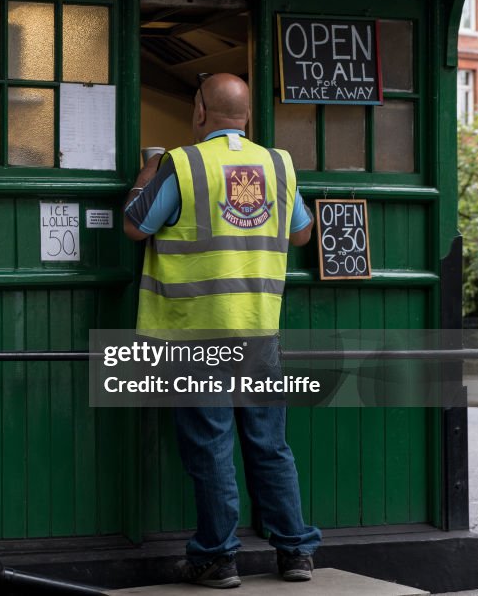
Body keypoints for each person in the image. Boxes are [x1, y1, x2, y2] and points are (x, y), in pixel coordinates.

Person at [123, 74, 321, 588]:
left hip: (195, 335)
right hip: (259, 330)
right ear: (248, 116)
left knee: (211, 448)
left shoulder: (182, 164)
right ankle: (296, 552)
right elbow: (302, 232)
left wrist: (147, 172)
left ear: (198, 111)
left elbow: (135, 226)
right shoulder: (278, 163)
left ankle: (217, 558)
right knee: (269, 446)